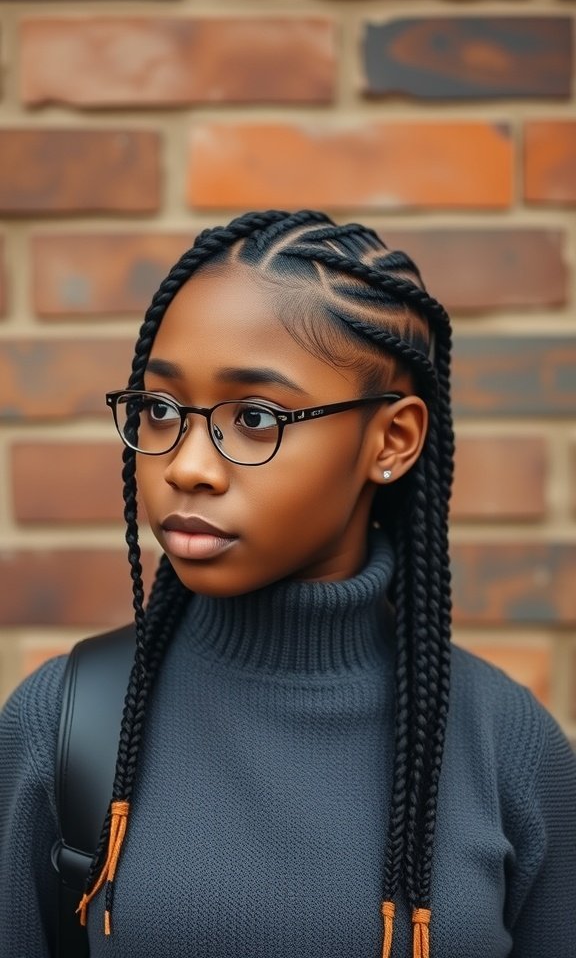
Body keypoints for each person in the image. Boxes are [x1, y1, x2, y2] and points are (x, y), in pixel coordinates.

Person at [1, 209, 575, 958]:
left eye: (256, 418)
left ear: (392, 441)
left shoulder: (507, 747)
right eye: (163, 408)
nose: (187, 466)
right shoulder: (63, 724)